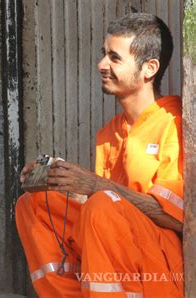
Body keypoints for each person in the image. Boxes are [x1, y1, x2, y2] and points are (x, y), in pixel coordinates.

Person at [15, 13, 183, 298]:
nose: (101, 65)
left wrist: (95, 186)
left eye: (114, 58)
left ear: (149, 68)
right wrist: (61, 180)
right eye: (103, 54)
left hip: (163, 267)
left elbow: (178, 220)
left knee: (102, 203)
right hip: (115, 248)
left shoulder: (174, 121)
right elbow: (105, 210)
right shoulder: (109, 131)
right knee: (33, 203)